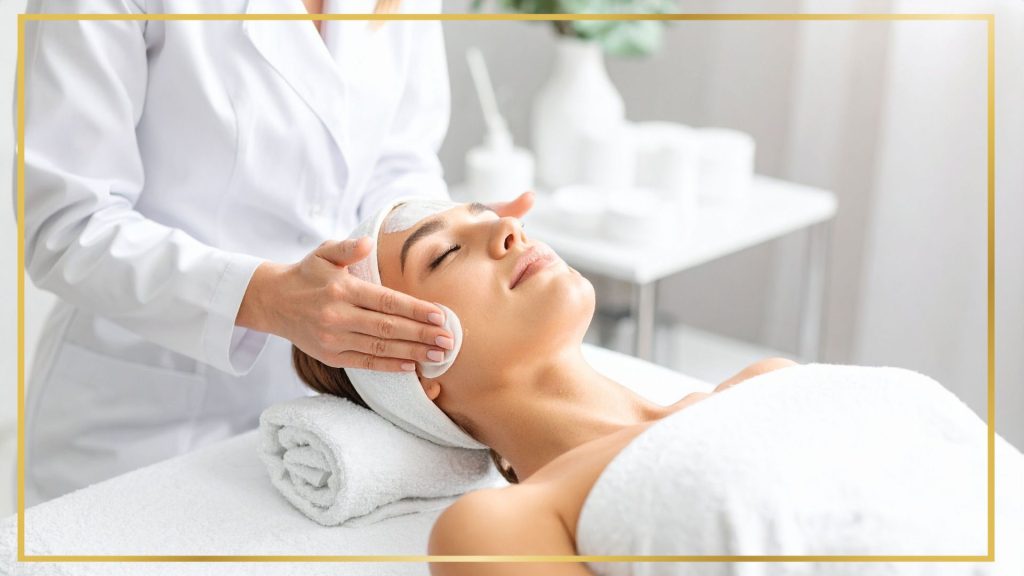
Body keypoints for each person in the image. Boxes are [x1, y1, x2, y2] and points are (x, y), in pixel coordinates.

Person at [293, 200, 1023, 576]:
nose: (510, 230)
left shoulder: (765, 382)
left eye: (492, 214)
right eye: (446, 252)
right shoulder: (499, 524)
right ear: (419, 377)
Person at [20, 0, 532, 505]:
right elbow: (66, 225)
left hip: (323, 428)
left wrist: (443, 230)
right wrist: (265, 299)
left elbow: (397, 160)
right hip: (136, 414)